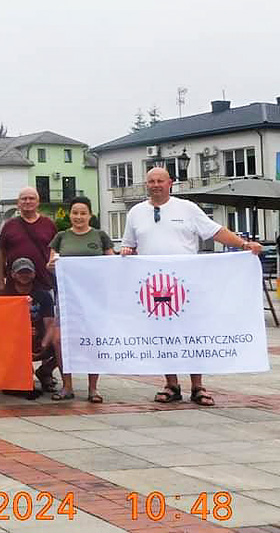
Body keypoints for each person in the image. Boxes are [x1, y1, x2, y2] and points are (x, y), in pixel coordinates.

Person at [121, 167, 261, 407]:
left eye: (160, 181)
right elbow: (128, 244)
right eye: (151, 181)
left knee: (192, 334)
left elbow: (215, 231)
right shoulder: (135, 212)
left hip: (187, 285)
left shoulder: (187, 208)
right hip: (154, 287)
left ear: (170, 184)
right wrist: (125, 251)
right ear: (147, 185)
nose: (155, 185)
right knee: (162, 336)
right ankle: (171, 384)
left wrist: (242, 244)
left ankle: (198, 385)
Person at [47, 196, 114, 403]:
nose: (78, 217)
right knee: (60, 341)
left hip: (94, 300)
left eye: (83, 213)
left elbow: (112, 263)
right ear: (70, 215)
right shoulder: (61, 237)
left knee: (92, 340)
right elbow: (50, 262)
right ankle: (67, 385)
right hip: (67, 299)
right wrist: (51, 266)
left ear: (90, 215)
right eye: (75, 212)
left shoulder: (100, 236)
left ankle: (93, 388)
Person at [0, 257, 56, 400]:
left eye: (27, 272)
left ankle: (45, 370)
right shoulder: (4, 296)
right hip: (14, 341)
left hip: (38, 340)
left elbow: (50, 324)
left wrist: (43, 345)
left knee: (62, 342)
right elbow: (0, 326)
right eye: (20, 273)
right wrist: (20, 334)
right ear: (12, 274)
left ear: (34, 274)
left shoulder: (43, 295)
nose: (24, 275)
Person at [0, 187, 57, 296]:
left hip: (43, 282)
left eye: (31, 198)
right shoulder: (9, 225)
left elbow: (56, 252)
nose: (28, 201)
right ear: (18, 203)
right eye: (24, 199)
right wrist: (0, 282)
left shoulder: (49, 224)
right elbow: (1, 255)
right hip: (15, 285)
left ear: (38, 202)